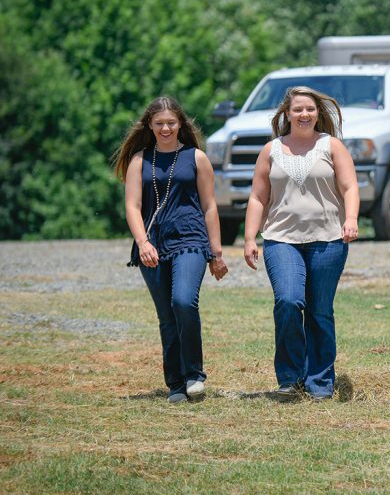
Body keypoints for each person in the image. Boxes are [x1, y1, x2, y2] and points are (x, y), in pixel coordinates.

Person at [243, 86, 360, 401]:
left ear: (318, 112)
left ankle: (320, 380)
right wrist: (250, 237)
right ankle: (291, 377)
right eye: (298, 109)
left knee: (320, 311)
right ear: (287, 114)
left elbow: (350, 187)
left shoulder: (331, 146)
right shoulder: (272, 150)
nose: (304, 114)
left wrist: (351, 219)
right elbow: (258, 196)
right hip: (281, 239)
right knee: (290, 301)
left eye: (310, 109)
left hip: (329, 239)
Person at [114, 96, 229, 404]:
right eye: (159, 124)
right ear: (149, 126)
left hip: (191, 239)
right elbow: (133, 206)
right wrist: (142, 243)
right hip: (152, 244)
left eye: (171, 123)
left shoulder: (197, 158)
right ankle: (176, 383)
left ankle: (194, 374)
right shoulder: (140, 160)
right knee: (166, 315)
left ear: (181, 124)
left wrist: (216, 253)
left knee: (183, 302)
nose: (165, 128)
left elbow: (209, 206)